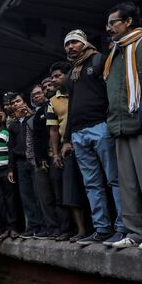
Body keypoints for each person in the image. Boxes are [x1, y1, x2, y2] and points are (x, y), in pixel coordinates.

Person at [103, 2, 142, 251]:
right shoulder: (114, 54)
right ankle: (135, 231)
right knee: (128, 184)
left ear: (128, 21)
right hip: (120, 126)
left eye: (113, 23)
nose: (108, 28)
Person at [60, 29, 126, 246]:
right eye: (67, 44)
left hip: (100, 126)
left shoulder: (98, 60)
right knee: (92, 184)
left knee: (114, 179)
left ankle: (123, 227)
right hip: (78, 133)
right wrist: (67, 138)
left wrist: (112, 120)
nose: (70, 47)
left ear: (84, 43)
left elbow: (114, 89)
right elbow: (71, 105)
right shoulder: (71, 73)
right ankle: (102, 228)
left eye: (74, 43)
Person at [48, 62, 89, 242]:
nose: (55, 80)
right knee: (72, 190)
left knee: (93, 186)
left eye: (58, 76)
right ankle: (81, 230)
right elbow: (53, 130)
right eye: (53, 77)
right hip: (67, 150)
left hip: (86, 141)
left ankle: (101, 228)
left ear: (68, 75)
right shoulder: (52, 101)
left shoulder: (79, 90)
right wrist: (55, 154)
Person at [30, 84, 71, 240]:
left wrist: (55, 153)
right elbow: (36, 138)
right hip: (43, 160)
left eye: (39, 93)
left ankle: (66, 229)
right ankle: (53, 229)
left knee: (59, 194)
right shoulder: (38, 114)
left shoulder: (55, 106)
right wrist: (39, 159)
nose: (37, 96)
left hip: (58, 155)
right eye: (34, 95)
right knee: (45, 197)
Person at [7, 93, 47, 239]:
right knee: (26, 196)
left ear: (25, 102)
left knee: (39, 194)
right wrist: (10, 168)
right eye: (14, 103)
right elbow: (11, 148)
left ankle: (44, 227)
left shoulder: (35, 116)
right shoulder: (13, 125)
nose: (16, 104)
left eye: (18, 101)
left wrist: (31, 115)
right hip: (20, 163)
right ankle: (32, 227)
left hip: (34, 160)